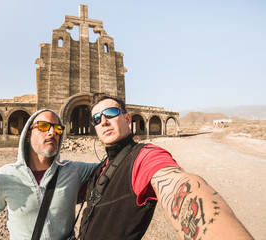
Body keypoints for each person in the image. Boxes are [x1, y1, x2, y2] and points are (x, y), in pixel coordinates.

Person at [79, 93, 253, 240]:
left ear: (127, 118)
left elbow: (175, 182)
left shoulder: (144, 157)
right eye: (96, 118)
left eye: (110, 113)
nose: (103, 121)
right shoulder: (100, 167)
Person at [0, 109, 97, 239]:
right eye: (43, 126)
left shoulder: (74, 170)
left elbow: (113, 167)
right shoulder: (6, 175)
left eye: (58, 129)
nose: (52, 132)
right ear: (28, 135)